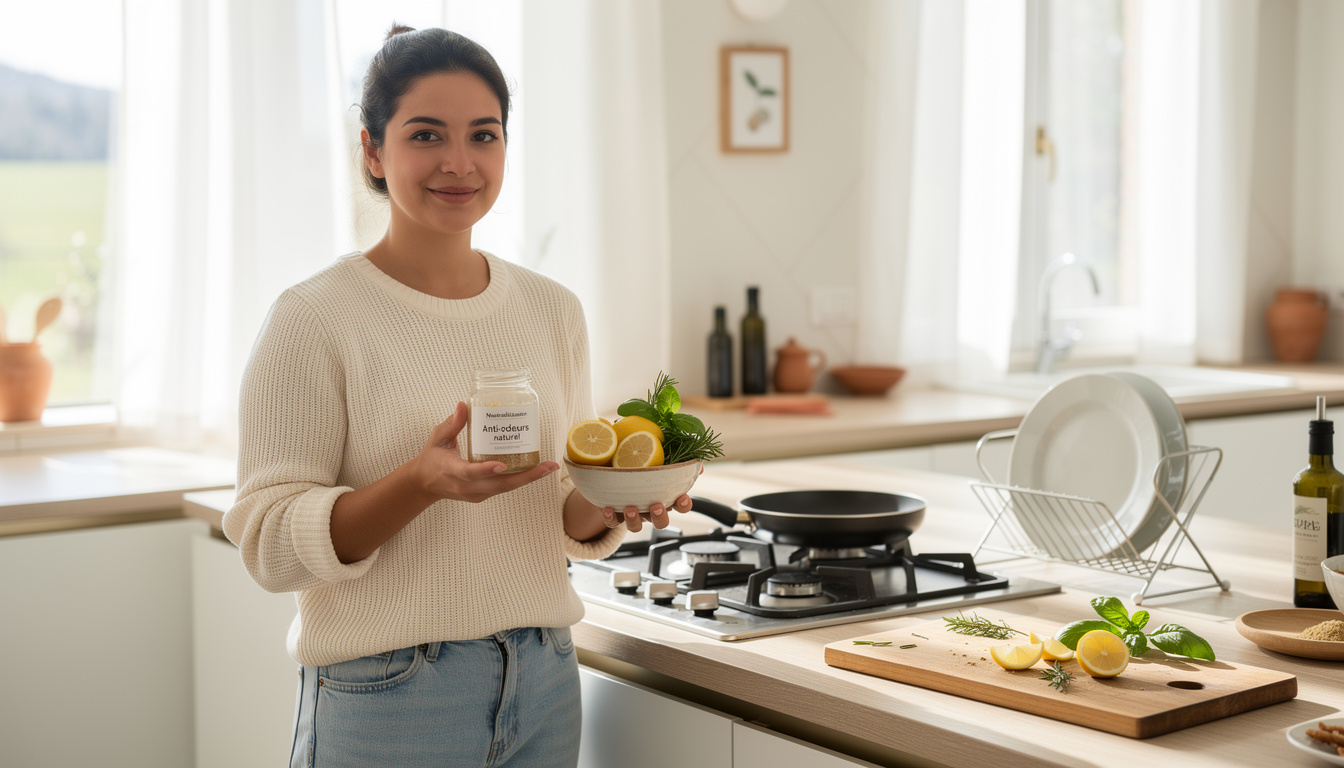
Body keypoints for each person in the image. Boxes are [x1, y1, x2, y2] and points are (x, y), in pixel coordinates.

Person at [222, 25, 693, 768]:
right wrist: (419, 483)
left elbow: (554, 505)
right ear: (373, 151)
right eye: (426, 135)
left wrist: (615, 499)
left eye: (484, 134)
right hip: (389, 694)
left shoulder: (552, 309)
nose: (459, 162)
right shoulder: (314, 318)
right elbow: (268, 546)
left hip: (543, 680)